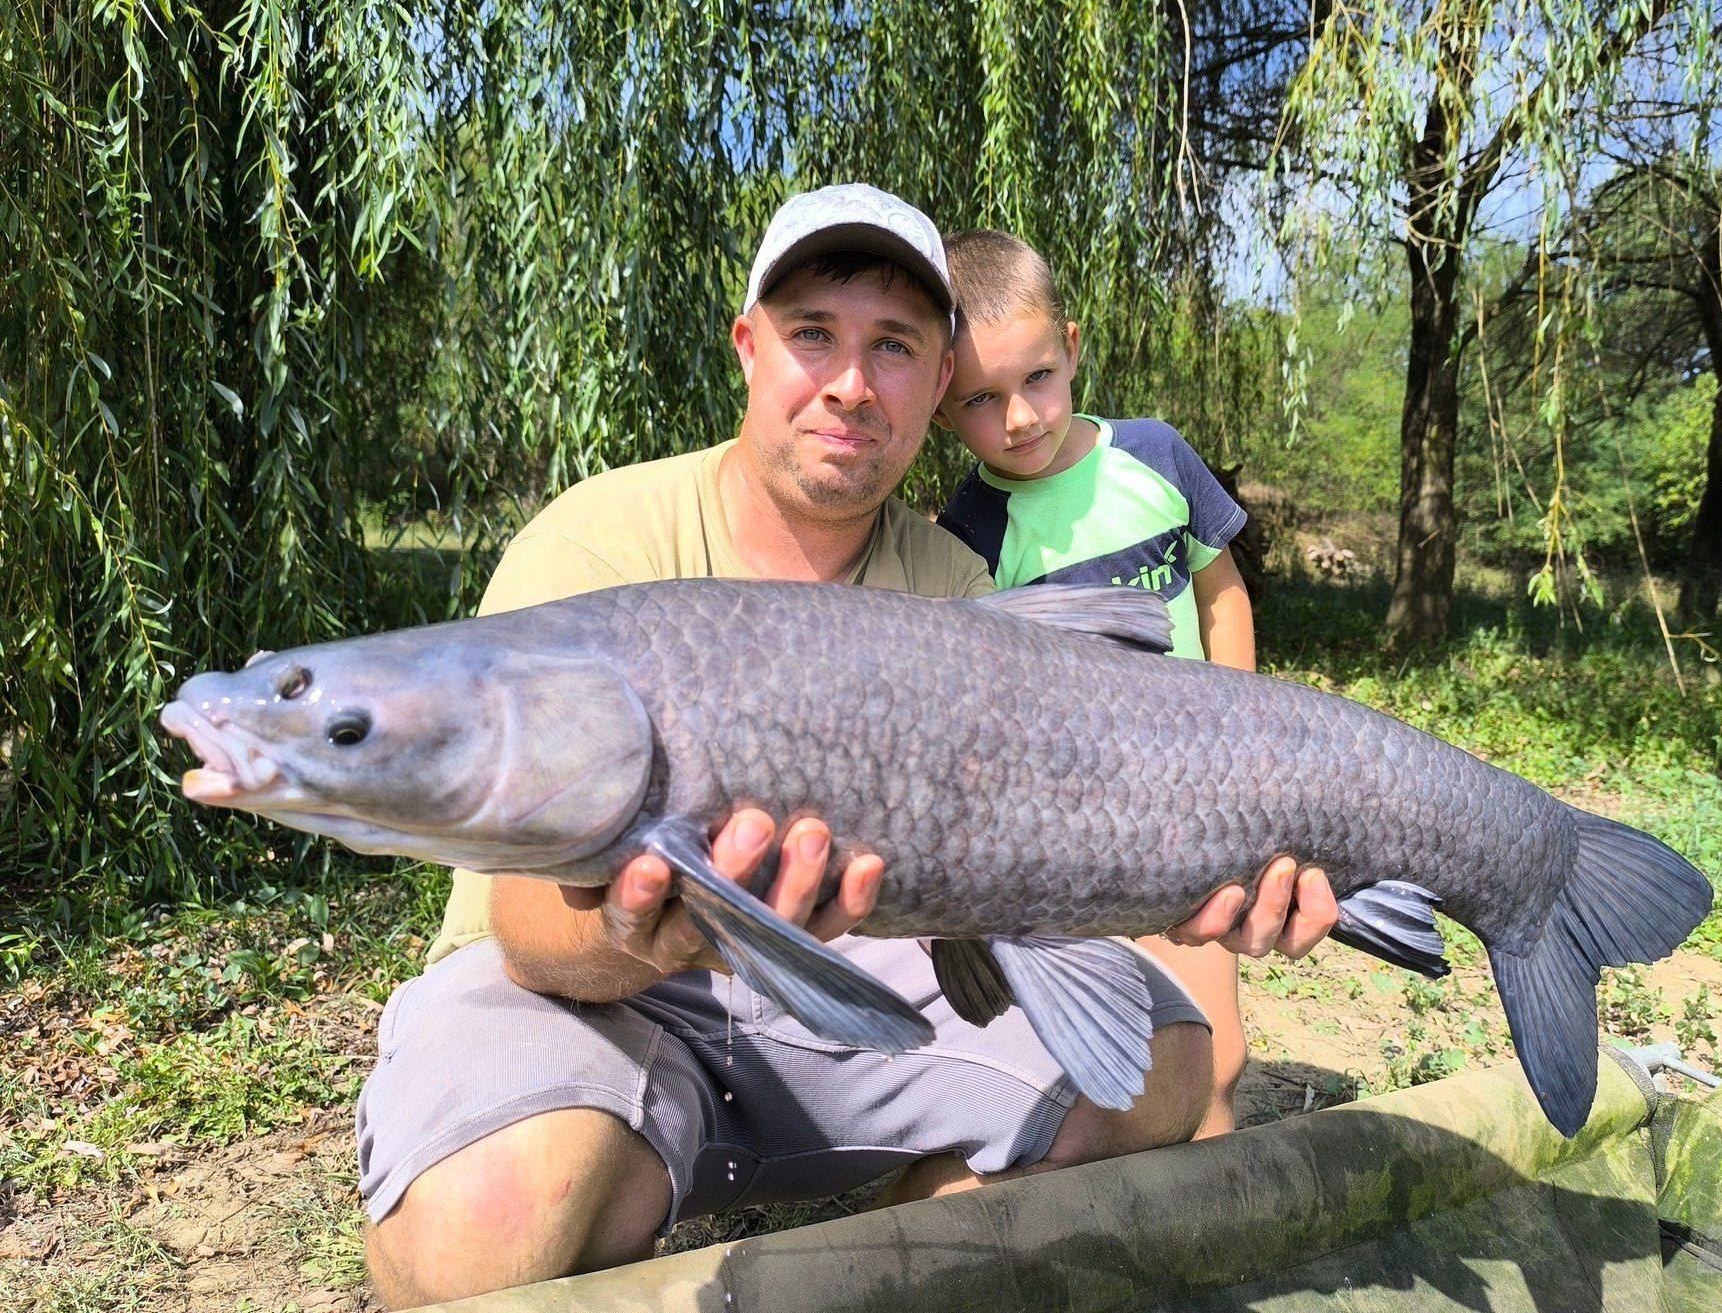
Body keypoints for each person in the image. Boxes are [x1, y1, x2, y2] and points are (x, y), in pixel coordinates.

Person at [356, 185, 1339, 1308]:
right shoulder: (602, 544)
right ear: (748, 346)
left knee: (1169, 1067)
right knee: (476, 1231)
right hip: (609, 994)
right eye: (813, 333)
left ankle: (847, 1280)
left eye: (896, 347)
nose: (850, 383)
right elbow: (528, 935)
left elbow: (1031, 879)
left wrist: (1195, 883)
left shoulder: (957, 589)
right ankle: (621, 1172)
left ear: (935, 384)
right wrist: (663, 928)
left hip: (866, 974)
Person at [933, 228, 1271, 1138]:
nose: (1020, 417)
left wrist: (1242, 719)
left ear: (1073, 348)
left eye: (1038, 378)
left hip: (1198, 801)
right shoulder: (966, 528)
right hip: (1069, 829)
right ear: (938, 405)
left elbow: (1221, 586)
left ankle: (1216, 1223)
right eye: (980, 399)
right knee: (1115, 1059)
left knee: (1217, 1053)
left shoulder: (1155, 456)